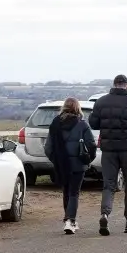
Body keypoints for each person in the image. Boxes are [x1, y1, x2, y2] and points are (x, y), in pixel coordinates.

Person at [88, 74, 127, 236]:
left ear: (114, 85)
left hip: (108, 150)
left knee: (109, 185)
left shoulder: (101, 102)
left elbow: (93, 123)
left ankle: (105, 214)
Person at [45, 97, 95, 234]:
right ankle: (70, 220)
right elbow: (91, 144)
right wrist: (89, 159)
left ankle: (68, 219)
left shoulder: (55, 123)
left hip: (62, 164)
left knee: (66, 191)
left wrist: (56, 160)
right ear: (77, 108)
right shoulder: (82, 124)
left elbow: (48, 148)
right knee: (74, 192)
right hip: (78, 164)